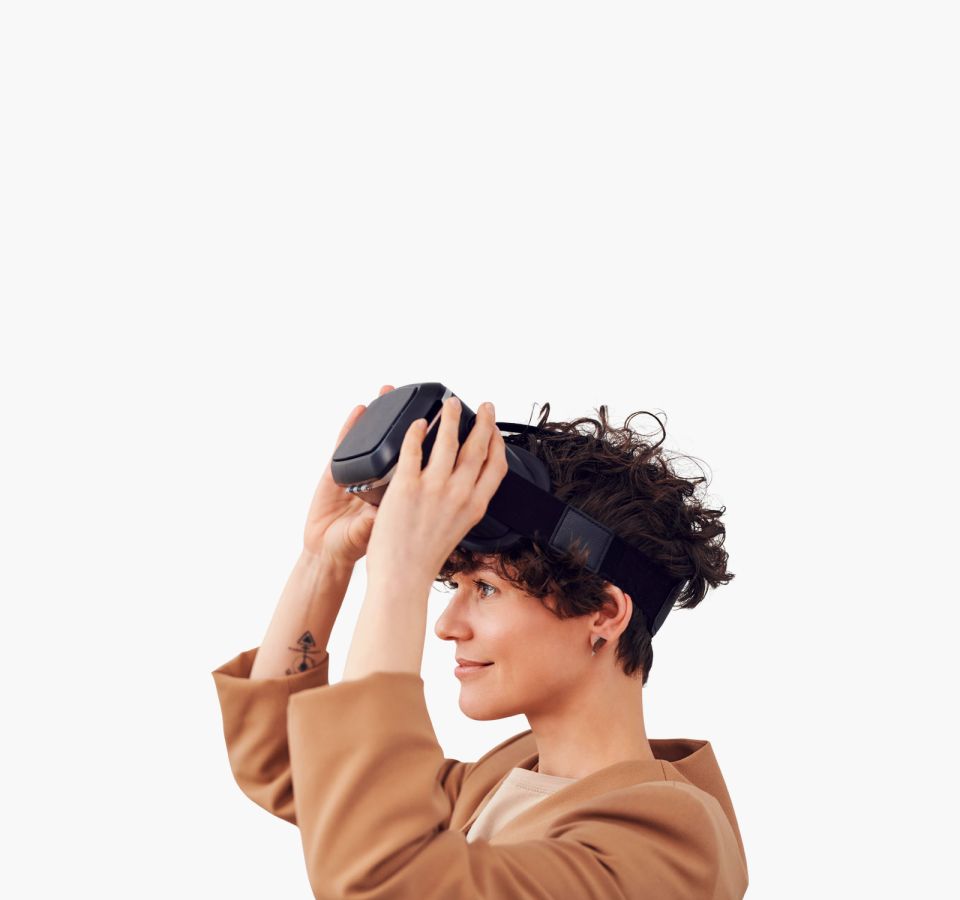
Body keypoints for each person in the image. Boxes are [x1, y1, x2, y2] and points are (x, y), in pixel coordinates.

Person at [212, 386, 749, 899]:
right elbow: (290, 761)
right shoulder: (505, 780)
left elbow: (382, 880)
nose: (446, 625)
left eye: (487, 588)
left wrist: (399, 577)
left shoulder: (670, 844)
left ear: (604, 614)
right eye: (457, 585)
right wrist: (324, 561)